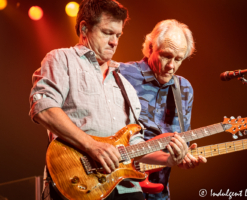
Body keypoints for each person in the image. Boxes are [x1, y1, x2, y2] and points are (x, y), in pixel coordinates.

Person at [29, 1, 189, 200]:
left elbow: (135, 143)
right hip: (78, 183)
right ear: (84, 28)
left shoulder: (124, 84)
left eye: (118, 35)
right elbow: (43, 108)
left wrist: (168, 159)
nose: (114, 41)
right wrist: (92, 146)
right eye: (107, 33)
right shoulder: (61, 59)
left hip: (126, 188)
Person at [119, 20, 207, 200]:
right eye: (167, 56)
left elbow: (182, 137)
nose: (171, 66)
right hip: (119, 187)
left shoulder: (184, 88)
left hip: (159, 193)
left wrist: (184, 155)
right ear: (150, 48)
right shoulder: (122, 74)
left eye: (178, 59)